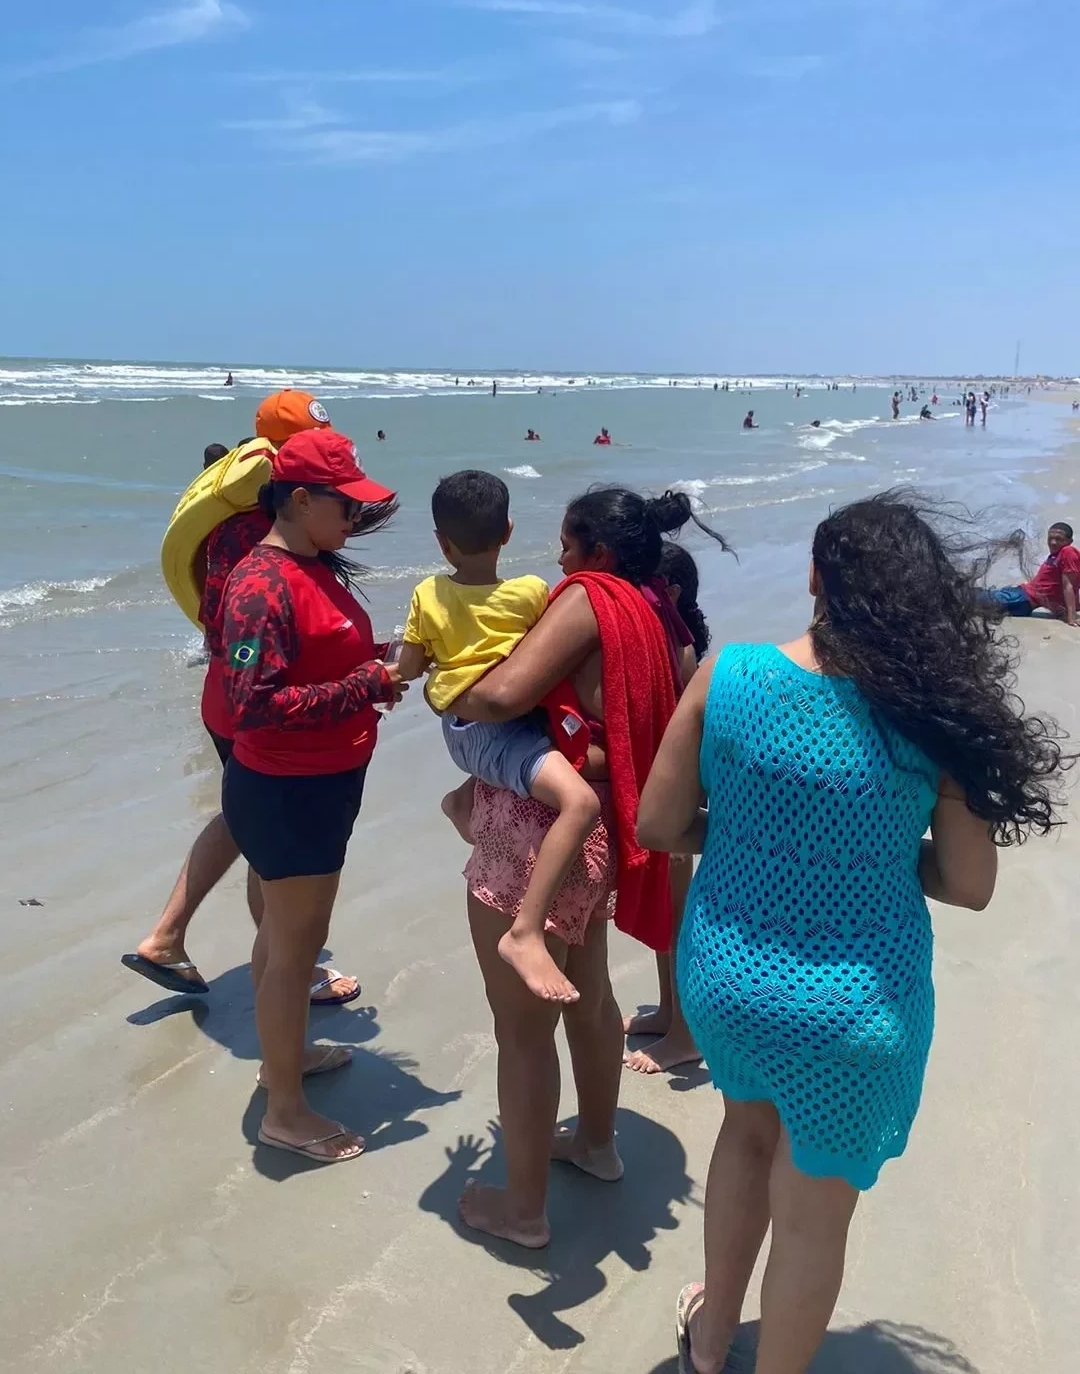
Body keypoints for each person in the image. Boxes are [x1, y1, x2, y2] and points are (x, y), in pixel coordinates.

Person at [638, 491, 1067, 1374]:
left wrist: (770, 842)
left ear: (813, 577)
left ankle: (712, 1340)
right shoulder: (929, 716)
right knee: (814, 1215)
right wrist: (860, 856)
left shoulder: (729, 675)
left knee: (744, 1134)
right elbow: (969, 885)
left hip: (726, 980)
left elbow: (657, 823)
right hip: (855, 1007)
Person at [445, 484, 728, 1247]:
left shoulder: (588, 595)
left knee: (522, 1030)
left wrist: (444, 690)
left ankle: (523, 1209)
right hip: (604, 828)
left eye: (568, 544)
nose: (560, 558)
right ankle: (597, 1146)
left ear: (597, 552)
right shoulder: (656, 609)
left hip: (539, 829)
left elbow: (502, 695)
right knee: (590, 995)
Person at [219, 429, 404, 1163]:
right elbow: (251, 703)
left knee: (283, 941)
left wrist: (372, 661)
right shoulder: (259, 583)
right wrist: (369, 685)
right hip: (287, 791)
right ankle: (285, 1113)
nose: (353, 521)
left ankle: (282, 1060)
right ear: (299, 499)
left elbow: (316, 658)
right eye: (344, 506)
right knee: (294, 949)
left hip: (322, 780)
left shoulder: (313, 566)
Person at [122, 389, 344, 999]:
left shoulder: (240, 523)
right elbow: (251, 632)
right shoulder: (267, 530)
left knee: (247, 819)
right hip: (249, 700)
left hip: (224, 691)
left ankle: (173, 938)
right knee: (268, 835)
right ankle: (287, 968)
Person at [397, 471, 603, 1005]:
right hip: (497, 735)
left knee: (530, 753)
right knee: (578, 802)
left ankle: (459, 799)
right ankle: (525, 932)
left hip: (461, 731)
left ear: (441, 542)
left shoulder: (427, 593)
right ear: (508, 530)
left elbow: (411, 666)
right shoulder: (532, 592)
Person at [624, 542, 712, 1076]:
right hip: (660, 797)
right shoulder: (664, 641)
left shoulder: (678, 651)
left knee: (677, 917)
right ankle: (666, 1010)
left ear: (669, 593)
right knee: (664, 910)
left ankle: (687, 1034)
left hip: (674, 800)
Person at [985, 522, 1080, 625]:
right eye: (1050, 538)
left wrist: (1071, 617)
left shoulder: (1068, 551)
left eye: (1058, 539)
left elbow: (1069, 585)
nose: (1053, 542)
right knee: (976, 599)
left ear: (1069, 541)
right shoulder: (1056, 555)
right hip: (1020, 595)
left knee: (973, 599)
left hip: (1021, 599)